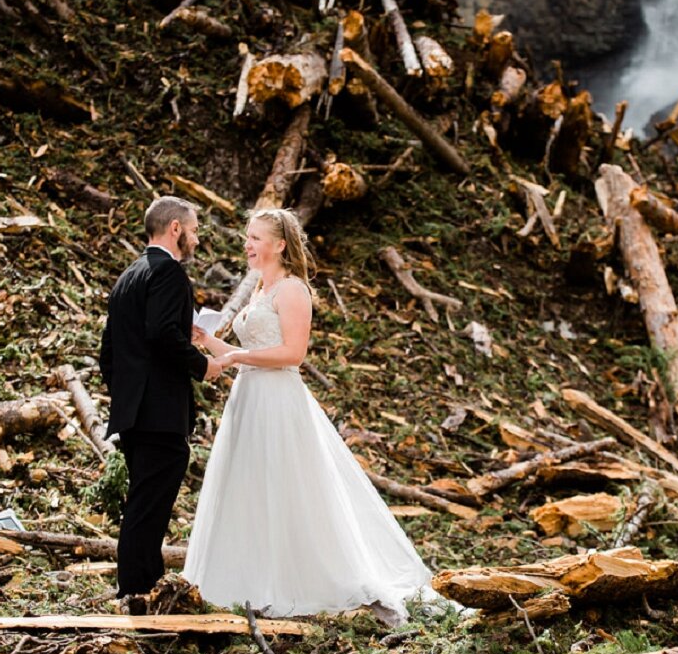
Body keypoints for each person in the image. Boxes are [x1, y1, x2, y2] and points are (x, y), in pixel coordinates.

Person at [184, 209, 437, 624]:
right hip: (248, 398)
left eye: (255, 238)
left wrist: (237, 355)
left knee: (288, 487)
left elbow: (293, 354)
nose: (247, 244)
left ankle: (299, 579)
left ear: (279, 244)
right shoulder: (258, 292)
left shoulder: (292, 290)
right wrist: (207, 340)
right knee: (249, 486)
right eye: (247, 237)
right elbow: (239, 355)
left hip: (279, 400)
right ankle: (250, 578)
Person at [100, 196, 223, 609]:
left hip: (134, 412)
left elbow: (109, 353)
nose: (197, 238)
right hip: (159, 413)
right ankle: (136, 589)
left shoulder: (128, 277)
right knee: (149, 505)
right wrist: (201, 364)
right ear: (175, 229)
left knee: (144, 500)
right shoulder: (168, 273)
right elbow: (162, 335)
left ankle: (141, 585)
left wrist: (127, 396)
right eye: (195, 230)